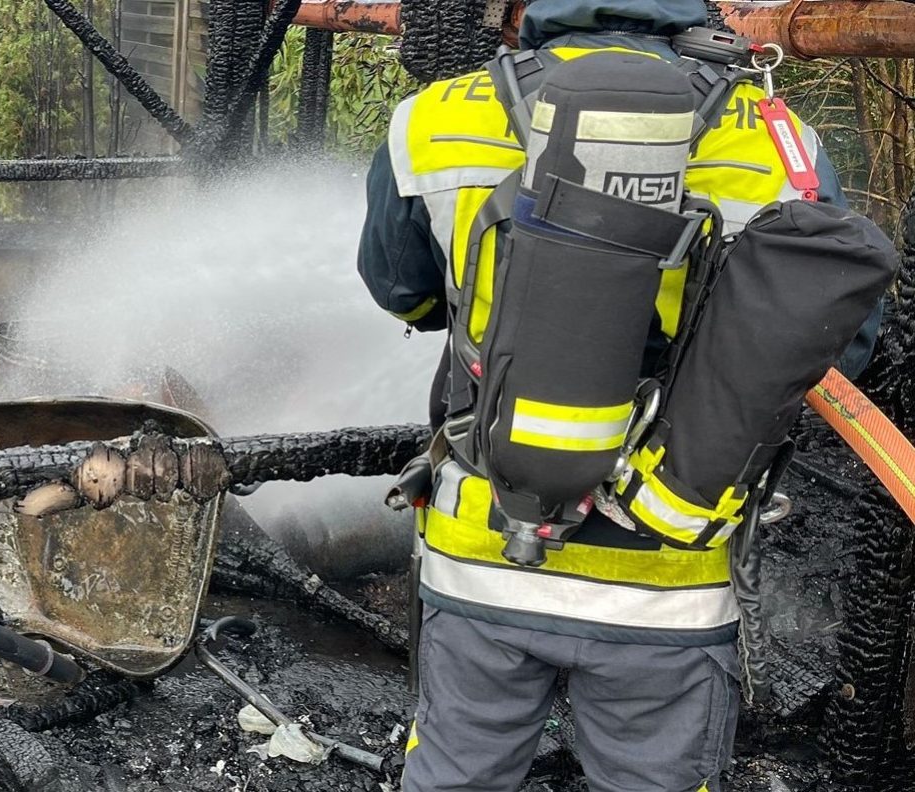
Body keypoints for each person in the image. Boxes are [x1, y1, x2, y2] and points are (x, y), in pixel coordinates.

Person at [356, 1, 879, 789]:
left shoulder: (434, 118)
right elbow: (843, 340)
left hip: (485, 550)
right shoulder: (777, 140)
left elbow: (404, 293)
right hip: (669, 569)